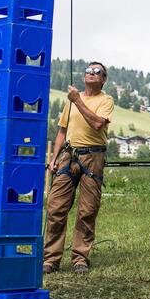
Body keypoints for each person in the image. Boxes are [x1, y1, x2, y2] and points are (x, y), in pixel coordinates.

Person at [44, 62, 115, 274]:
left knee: (88, 210)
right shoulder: (72, 100)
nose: (92, 74)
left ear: (103, 79)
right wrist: (54, 159)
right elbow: (61, 132)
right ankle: (51, 259)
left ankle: (80, 257)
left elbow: (97, 124)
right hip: (68, 154)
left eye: (97, 72)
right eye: (89, 71)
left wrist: (77, 101)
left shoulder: (106, 100)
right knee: (56, 207)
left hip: (93, 156)